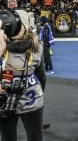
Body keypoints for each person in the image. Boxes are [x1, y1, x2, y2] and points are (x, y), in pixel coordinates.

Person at [0, 10, 44, 141]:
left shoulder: (36, 46)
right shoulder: (37, 45)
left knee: (10, 137)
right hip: (26, 99)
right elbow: (42, 76)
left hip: (18, 100)